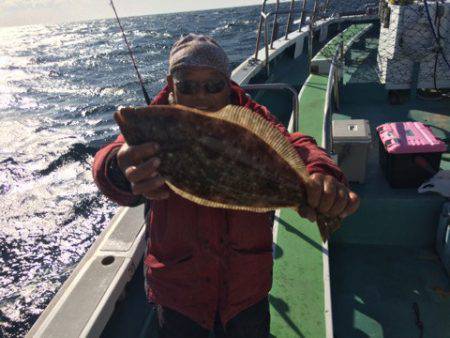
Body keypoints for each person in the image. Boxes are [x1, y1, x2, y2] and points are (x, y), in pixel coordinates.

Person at [93, 34, 359, 338]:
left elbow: (296, 144)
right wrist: (119, 168)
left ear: (227, 82)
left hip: (246, 289)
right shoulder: (158, 124)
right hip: (179, 292)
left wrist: (321, 172)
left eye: (213, 85)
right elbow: (109, 159)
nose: (201, 96)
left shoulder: (252, 117)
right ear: (171, 84)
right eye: (188, 86)